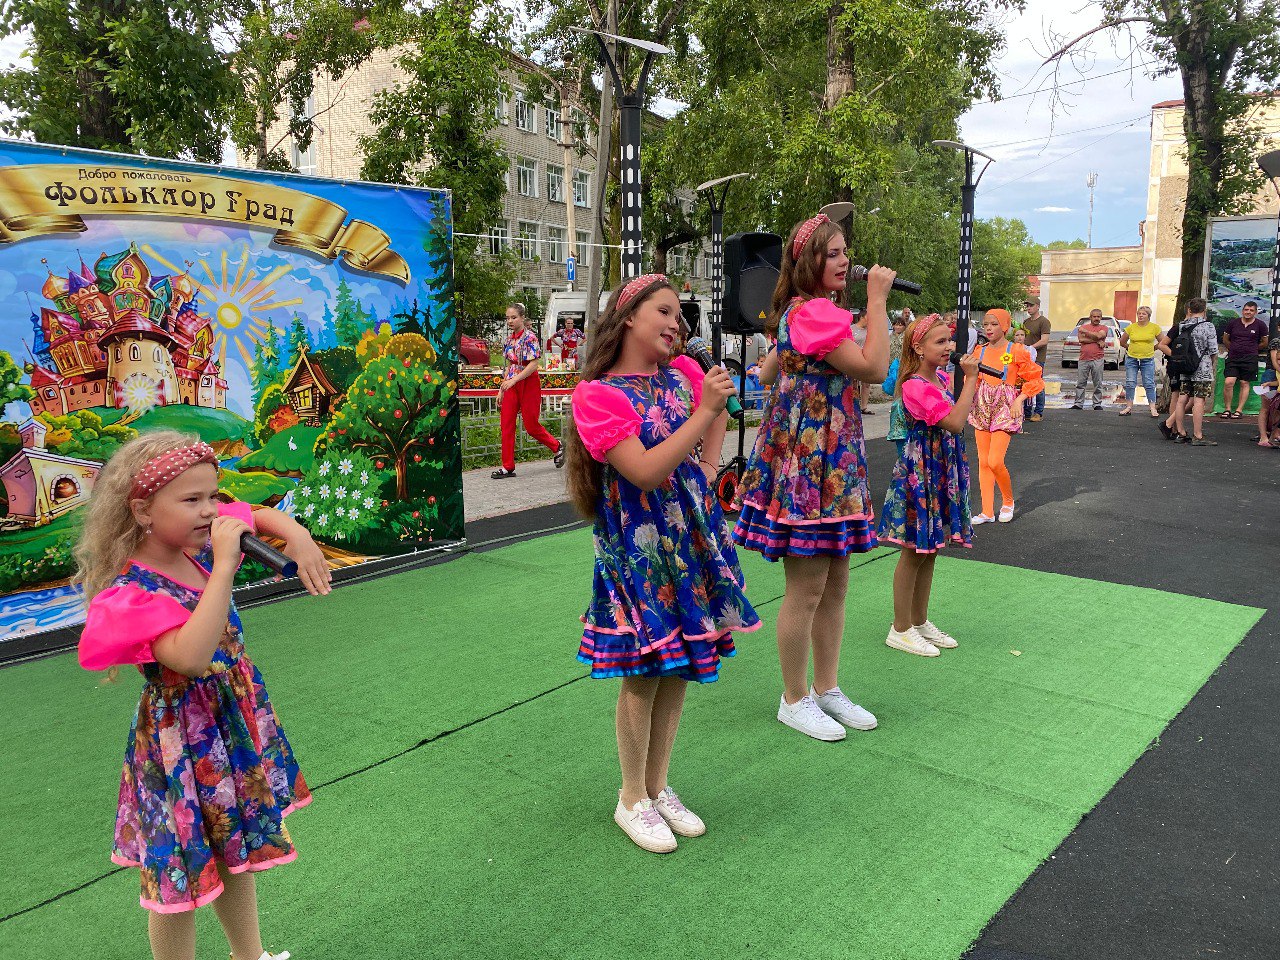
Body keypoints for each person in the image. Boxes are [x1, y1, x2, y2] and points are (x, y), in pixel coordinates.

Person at [74, 431, 331, 960]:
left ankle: (249, 956)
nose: (210, 510)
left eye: (213, 496)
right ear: (142, 510)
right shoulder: (134, 591)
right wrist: (224, 567)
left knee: (234, 852)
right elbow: (190, 656)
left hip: (228, 729)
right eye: (192, 499)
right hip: (181, 747)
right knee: (180, 876)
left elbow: (260, 514)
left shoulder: (196, 541)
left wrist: (298, 535)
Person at [564, 273, 761, 854]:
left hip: (690, 539)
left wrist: (709, 463)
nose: (677, 323)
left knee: (679, 666)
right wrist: (704, 416)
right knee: (643, 671)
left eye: (680, 314)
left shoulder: (683, 376)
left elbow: (716, 413)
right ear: (628, 317)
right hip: (638, 552)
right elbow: (645, 471)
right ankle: (631, 798)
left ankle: (657, 785)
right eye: (665, 311)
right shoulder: (597, 395)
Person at [732, 212, 892, 742]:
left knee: (835, 582)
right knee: (808, 589)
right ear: (808, 261)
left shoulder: (803, 312)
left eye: (846, 252)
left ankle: (826, 688)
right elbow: (874, 369)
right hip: (812, 462)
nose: (845, 261)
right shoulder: (815, 312)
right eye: (833, 253)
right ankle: (794, 697)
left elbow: (770, 370)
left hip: (829, 459)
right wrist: (877, 300)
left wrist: (778, 368)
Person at [877, 315, 979, 656]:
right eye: (940, 341)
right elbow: (954, 422)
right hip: (920, 474)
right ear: (918, 348)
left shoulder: (941, 378)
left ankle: (918, 621)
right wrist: (971, 380)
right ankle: (900, 627)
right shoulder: (914, 385)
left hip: (938, 470)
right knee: (914, 550)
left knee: (931, 548)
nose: (949, 347)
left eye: (949, 340)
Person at [967, 308, 1044, 525]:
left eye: (994, 324)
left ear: (1005, 326)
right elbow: (973, 380)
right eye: (986, 324)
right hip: (982, 405)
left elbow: (1035, 379)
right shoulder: (979, 351)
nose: (988, 328)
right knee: (983, 462)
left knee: (995, 460)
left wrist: (1020, 400)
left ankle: (1008, 501)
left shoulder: (1017, 350)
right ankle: (987, 511)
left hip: (1005, 407)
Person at [493, 303, 564, 479]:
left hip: (529, 383)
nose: (510, 321)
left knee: (531, 425)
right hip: (511, 384)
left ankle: (557, 446)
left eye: (514, 317)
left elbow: (533, 364)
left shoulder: (530, 337)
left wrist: (514, 380)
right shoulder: (509, 340)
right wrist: (502, 389)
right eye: (508, 318)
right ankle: (507, 466)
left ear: (522, 318)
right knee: (506, 423)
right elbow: (509, 366)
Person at [1165, 297, 1219, 446]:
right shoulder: (1208, 326)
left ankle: (1181, 432)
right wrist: (1211, 363)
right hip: (1202, 367)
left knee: (1182, 399)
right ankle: (1198, 435)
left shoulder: (1182, 325)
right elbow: (1213, 349)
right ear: (1204, 310)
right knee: (1199, 400)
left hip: (1185, 366)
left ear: (1189, 309)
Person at [1220, 301, 1268, 420]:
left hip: (1250, 358)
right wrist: (1233, 348)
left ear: (1255, 312)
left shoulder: (1260, 325)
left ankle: (1239, 410)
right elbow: (1225, 339)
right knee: (1229, 382)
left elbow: (1264, 342)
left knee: (1244, 383)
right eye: (1246, 310)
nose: (1248, 312)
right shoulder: (1233, 323)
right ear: (1242, 311)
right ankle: (1227, 409)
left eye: (1251, 310)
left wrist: (1252, 349)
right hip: (1233, 357)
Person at [1119, 305, 1160, 417]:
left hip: (1147, 359)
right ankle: (1128, 407)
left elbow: (1162, 341)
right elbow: (1122, 341)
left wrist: (1153, 348)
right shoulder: (1131, 327)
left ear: (1148, 315)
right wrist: (1129, 347)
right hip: (1132, 358)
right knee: (1130, 382)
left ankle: (1152, 408)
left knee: (1149, 383)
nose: (1140, 316)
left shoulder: (1154, 327)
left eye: (1143, 314)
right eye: (1139, 314)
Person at [1071, 309, 1109, 410]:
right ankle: (1078, 403)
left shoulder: (1104, 328)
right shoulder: (1083, 327)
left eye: (1098, 317)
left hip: (1098, 358)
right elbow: (1081, 339)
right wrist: (1097, 341)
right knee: (1081, 382)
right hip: (1084, 359)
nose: (1096, 318)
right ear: (1090, 317)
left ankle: (1097, 404)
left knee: (1098, 382)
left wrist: (1087, 333)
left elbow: (1100, 335)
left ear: (1101, 318)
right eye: (1094, 316)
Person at [1021, 296, 1052, 421]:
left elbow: (1044, 340)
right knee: (1025, 384)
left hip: (1038, 358)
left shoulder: (1044, 322)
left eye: (1031, 305)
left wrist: (1030, 348)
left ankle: (1039, 412)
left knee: (1038, 384)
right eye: (1027, 306)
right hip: (1025, 358)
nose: (1029, 308)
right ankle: (1026, 412)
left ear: (1038, 306)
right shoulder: (1026, 322)